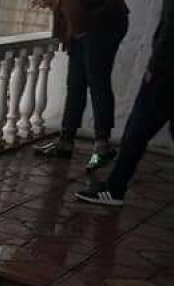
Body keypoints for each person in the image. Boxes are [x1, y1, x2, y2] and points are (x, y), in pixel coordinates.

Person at [76, 0, 174, 217]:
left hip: (172, 67)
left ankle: (115, 189)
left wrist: (156, 65)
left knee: (139, 127)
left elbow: (173, 24)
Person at [33, 0, 130, 171]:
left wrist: (57, 6)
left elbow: (79, 20)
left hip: (104, 24)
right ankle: (66, 141)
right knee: (75, 83)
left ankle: (102, 146)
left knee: (97, 82)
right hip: (86, 24)